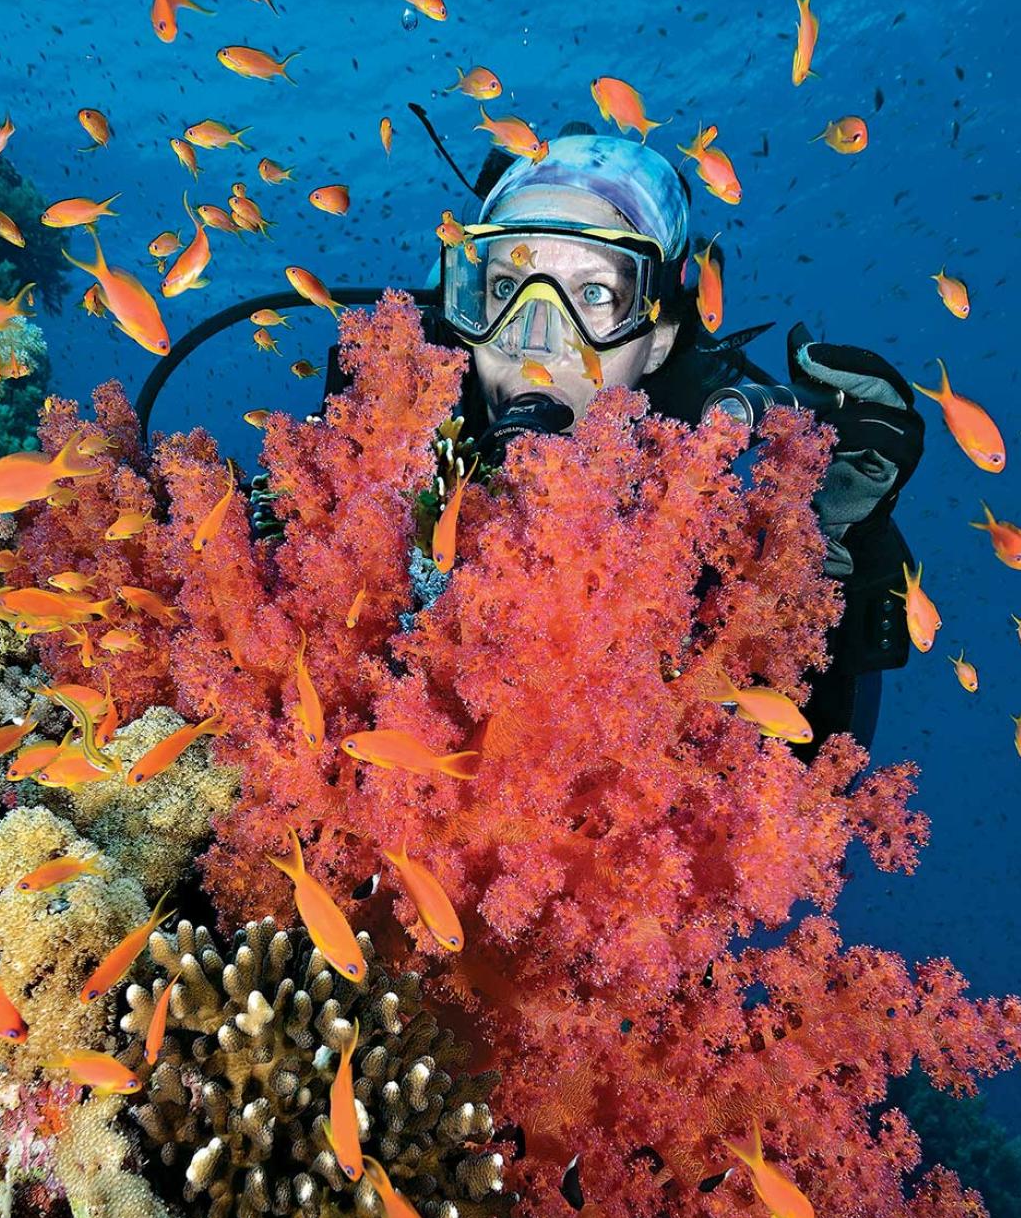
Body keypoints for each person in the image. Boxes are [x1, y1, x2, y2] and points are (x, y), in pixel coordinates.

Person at [321, 124, 925, 757]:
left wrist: (835, 559)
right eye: (504, 287)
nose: (535, 339)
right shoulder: (372, 466)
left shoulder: (703, 539)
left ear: (657, 341)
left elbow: (803, 792)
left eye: (595, 293)